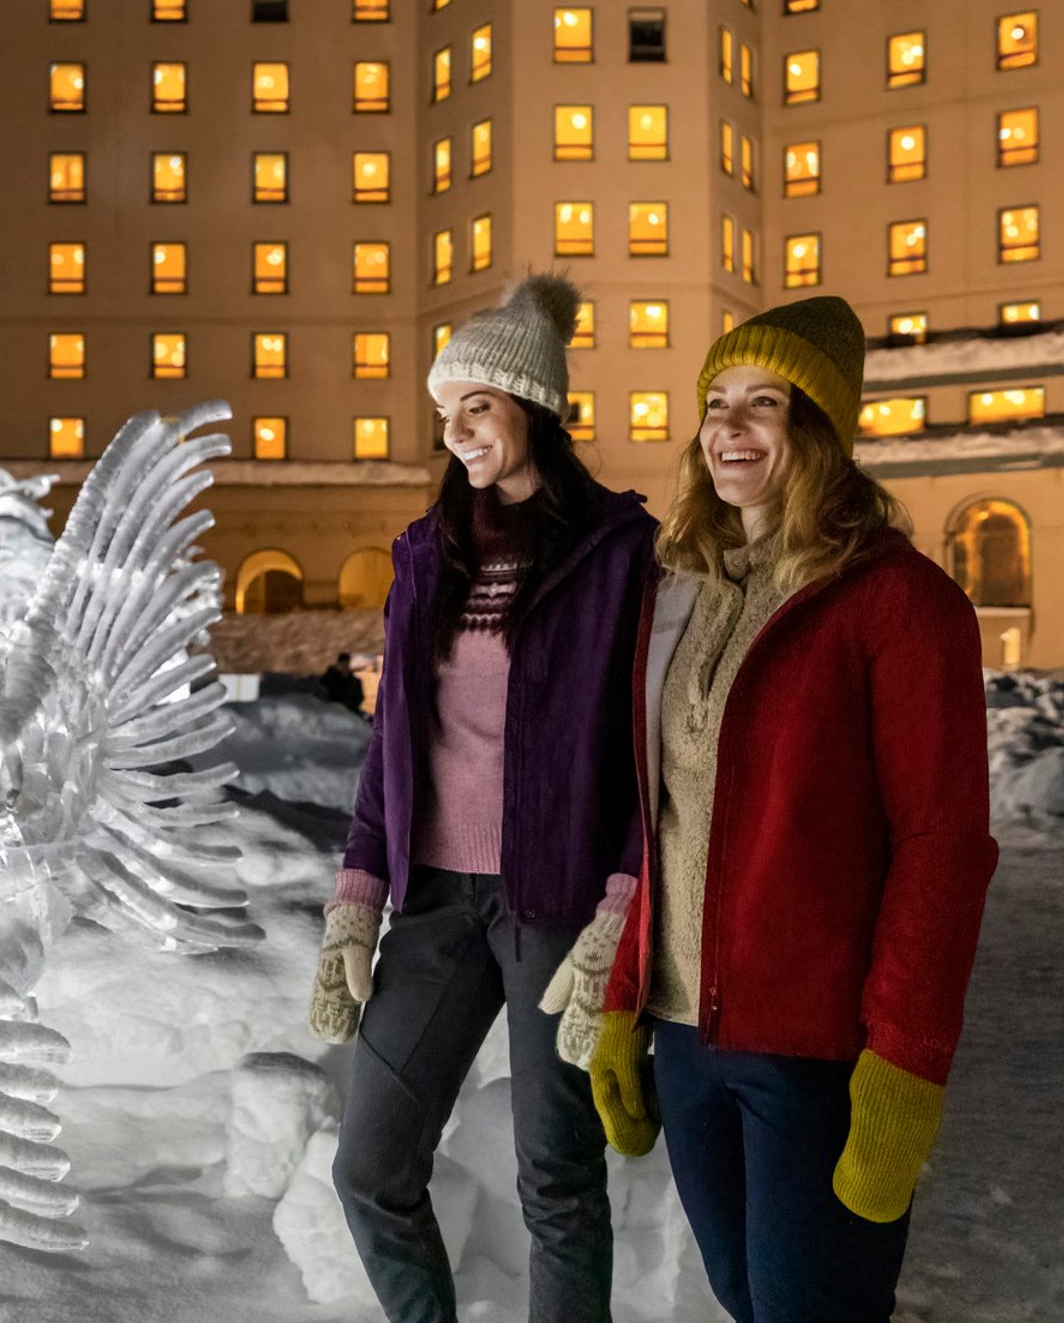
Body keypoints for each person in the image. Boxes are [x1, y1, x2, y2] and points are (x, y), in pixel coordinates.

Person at [590, 297, 998, 1323]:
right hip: (686, 1037)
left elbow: (941, 845)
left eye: (764, 403)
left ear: (818, 429)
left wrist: (905, 1063)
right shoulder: (685, 591)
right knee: (741, 1294)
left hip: (817, 1051)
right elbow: (671, 819)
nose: (729, 427)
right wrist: (622, 998)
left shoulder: (898, 603)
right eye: (716, 402)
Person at [309, 272, 656, 1323]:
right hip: (433, 902)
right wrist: (357, 901)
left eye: (480, 408)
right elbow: (395, 747)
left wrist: (620, 908)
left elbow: (647, 752)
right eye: (446, 412)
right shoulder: (424, 557)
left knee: (557, 1182)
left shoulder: (618, 555)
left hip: (554, 905)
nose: (458, 432)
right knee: (369, 1167)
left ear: (536, 408)